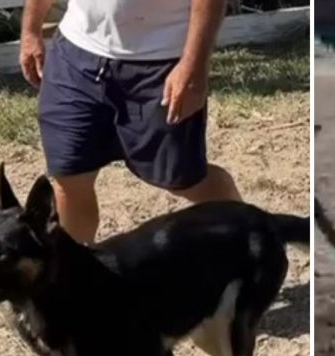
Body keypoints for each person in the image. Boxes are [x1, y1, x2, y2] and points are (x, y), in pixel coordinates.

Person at [18, 0, 243, 243]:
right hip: (75, 55)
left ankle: (248, 233)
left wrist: (194, 65)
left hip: (160, 62)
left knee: (184, 179)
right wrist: (30, 30)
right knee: (69, 176)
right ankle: (73, 273)